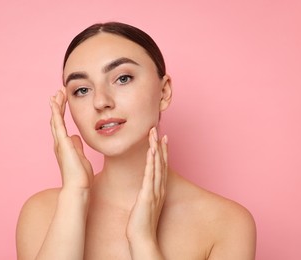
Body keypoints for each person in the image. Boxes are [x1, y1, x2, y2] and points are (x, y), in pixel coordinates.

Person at [16, 22, 256, 260]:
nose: (101, 102)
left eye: (122, 78)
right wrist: (75, 196)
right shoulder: (42, 213)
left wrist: (143, 241)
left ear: (164, 92)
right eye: (82, 90)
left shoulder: (225, 223)